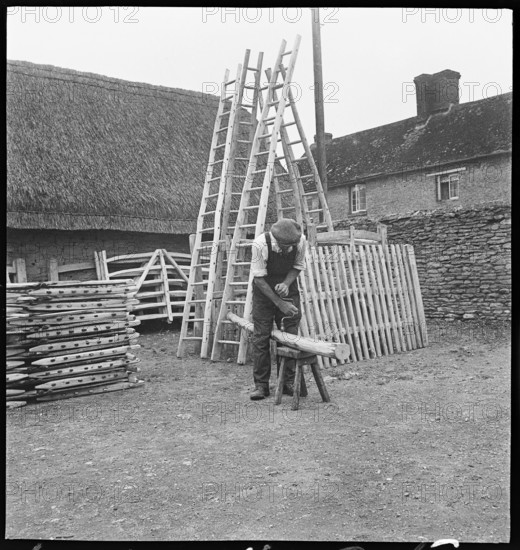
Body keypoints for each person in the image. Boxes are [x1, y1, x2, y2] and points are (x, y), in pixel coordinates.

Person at [249, 218, 307, 400]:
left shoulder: (300, 240)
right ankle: (261, 385)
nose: (290, 249)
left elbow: (297, 267)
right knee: (261, 337)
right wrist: (279, 302)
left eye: (293, 246)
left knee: (290, 335)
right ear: (278, 242)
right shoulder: (260, 244)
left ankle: (288, 382)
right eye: (286, 247)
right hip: (263, 289)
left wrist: (286, 283)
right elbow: (259, 279)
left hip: (288, 288)